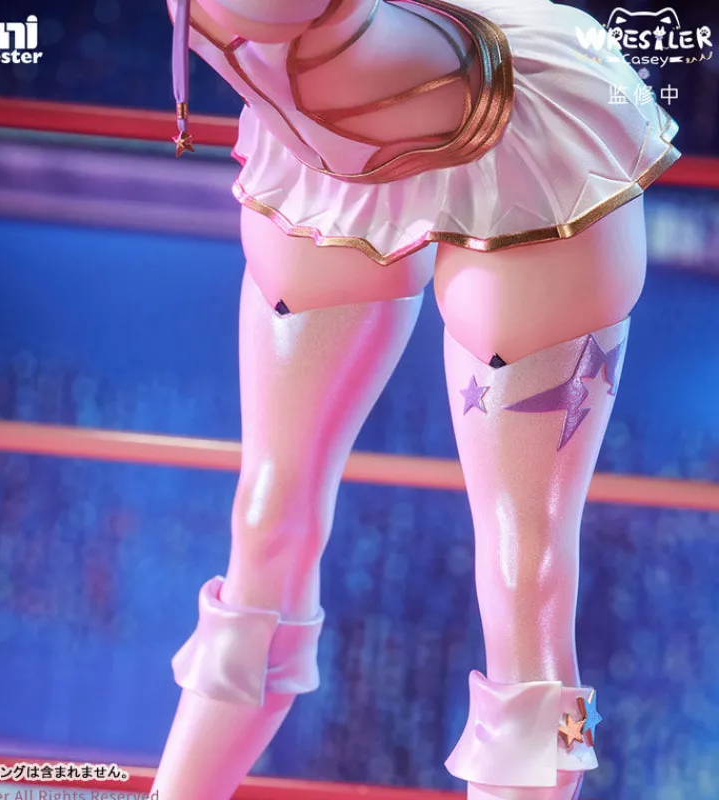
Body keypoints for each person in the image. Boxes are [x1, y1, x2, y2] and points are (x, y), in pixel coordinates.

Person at [153, 1, 680, 797]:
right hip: (329, 144)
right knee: (265, 522)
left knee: (527, 585)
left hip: (523, 128)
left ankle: (561, 753)